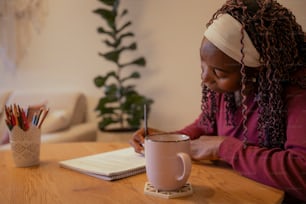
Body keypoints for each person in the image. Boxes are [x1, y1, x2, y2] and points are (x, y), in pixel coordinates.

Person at [129, 0, 306, 202]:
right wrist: (168, 139)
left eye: (218, 72)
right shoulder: (226, 90)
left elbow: (301, 173)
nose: (205, 78)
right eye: (203, 64)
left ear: (259, 70)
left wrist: (223, 148)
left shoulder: (299, 92)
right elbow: (206, 125)